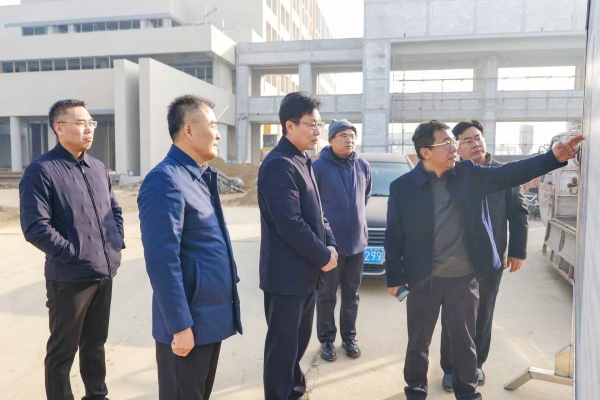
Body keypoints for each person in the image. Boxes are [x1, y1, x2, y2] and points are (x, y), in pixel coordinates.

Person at [384, 120, 583, 400]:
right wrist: (394, 276)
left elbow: (512, 172)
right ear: (426, 152)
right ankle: (415, 391)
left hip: (464, 277)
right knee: (418, 342)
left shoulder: (469, 174)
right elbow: (394, 235)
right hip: (423, 279)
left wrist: (553, 158)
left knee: (465, 343)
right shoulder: (403, 187)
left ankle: (468, 393)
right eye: (447, 143)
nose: (454, 148)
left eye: (454, 142)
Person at [137, 94, 242, 400]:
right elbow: (162, 261)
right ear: (189, 130)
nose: (218, 134)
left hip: (208, 321)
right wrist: (180, 326)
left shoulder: (198, 176)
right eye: (213, 126)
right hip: (189, 326)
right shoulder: (165, 180)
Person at [19, 99, 124, 400]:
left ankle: (97, 396)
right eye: (80, 123)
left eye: (91, 123)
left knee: (95, 344)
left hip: (103, 272)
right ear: (59, 128)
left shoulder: (98, 168)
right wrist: (74, 255)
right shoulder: (42, 170)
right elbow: (36, 227)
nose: (88, 129)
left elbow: (114, 211)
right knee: (62, 352)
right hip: (69, 279)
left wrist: (114, 244)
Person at [257, 91, 338, 400]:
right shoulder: (278, 164)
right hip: (286, 279)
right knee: (282, 353)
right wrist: (323, 256)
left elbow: (318, 213)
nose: (318, 131)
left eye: (319, 124)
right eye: (311, 124)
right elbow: (290, 223)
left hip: (306, 277)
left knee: (296, 348)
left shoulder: (303, 160)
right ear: (289, 126)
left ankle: (295, 392)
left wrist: (330, 244)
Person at [439, 120, 529, 391]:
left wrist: (517, 251)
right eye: (467, 140)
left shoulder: (503, 173)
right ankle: (450, 368)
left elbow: (518, 212)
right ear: (456, 147)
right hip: (457, 258)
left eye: (478, 138)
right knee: (453, 314)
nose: (476, 143)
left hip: (492, 259)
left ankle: (476, 364)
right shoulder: (451, 175)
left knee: (484, 313)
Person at [313, 119, 372, 361]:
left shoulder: (363, 166)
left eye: (352, 136)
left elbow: (365, 197)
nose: (349, 140)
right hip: (331, 246)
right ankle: (327, 340)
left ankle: (349, 338)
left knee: (352, 294)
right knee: (327, 295)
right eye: (343, 136)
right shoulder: (319, 167)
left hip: (357, 243)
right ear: (331, 140)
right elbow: (313, 205)